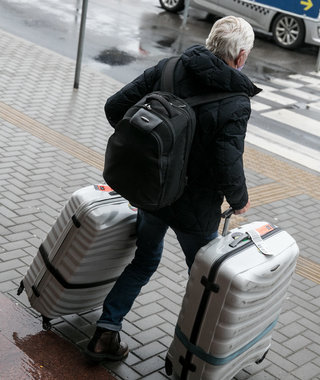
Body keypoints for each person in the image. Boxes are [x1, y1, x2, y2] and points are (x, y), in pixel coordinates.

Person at [85, 15, 261, 362]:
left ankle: (106, 332)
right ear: (240, 57)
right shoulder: (236, 101)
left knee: (145, 259)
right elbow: (228, 162)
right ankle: (187, 357)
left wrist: (151, 152)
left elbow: (115, 107)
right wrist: (239, 201)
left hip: (152, 193)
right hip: (195, 210)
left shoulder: (170, 68)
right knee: (206, 283)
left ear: (211, 42)